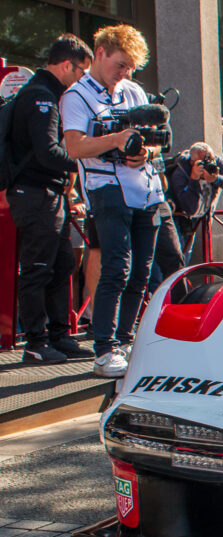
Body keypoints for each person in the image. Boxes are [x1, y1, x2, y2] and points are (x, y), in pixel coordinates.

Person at [61, 24, 165, 377]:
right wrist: (118, 140)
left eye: (130, 67)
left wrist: (145, 153)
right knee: (116, 268)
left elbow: (157, 141)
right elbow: (74, 146)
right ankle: (104, 348)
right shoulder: (75, 96)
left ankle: (126, 339)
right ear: (101, 53)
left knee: (141, 271)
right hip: (107, 191)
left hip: (146, 191)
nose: (125, 73)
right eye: (120, 64)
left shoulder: (134, 90)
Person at [6, 34, 94, 363]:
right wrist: (87, 160)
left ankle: (58, 335)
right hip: (36, 194)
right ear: (65, 66)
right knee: (38, 269)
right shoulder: (41, 97)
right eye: (81, 72)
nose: (83, 80)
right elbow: (48, 153)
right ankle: (35, 343)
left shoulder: (49, 96)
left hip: (48, 194)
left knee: (62, 266)